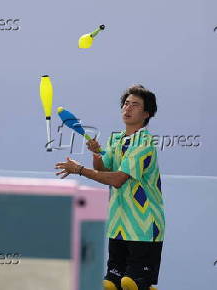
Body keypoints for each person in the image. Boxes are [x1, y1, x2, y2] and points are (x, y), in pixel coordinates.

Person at [55, 84, 164, 290]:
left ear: (146, 113)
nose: (128, 108)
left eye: (135, 105)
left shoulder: (144, 142)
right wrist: (97, 153)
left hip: (144, 227)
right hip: (119, 225)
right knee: (111, 284)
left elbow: (117, 179)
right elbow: (104, 168)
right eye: (126, 103)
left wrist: (79, 170)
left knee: (131, 284)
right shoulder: (117, 139)